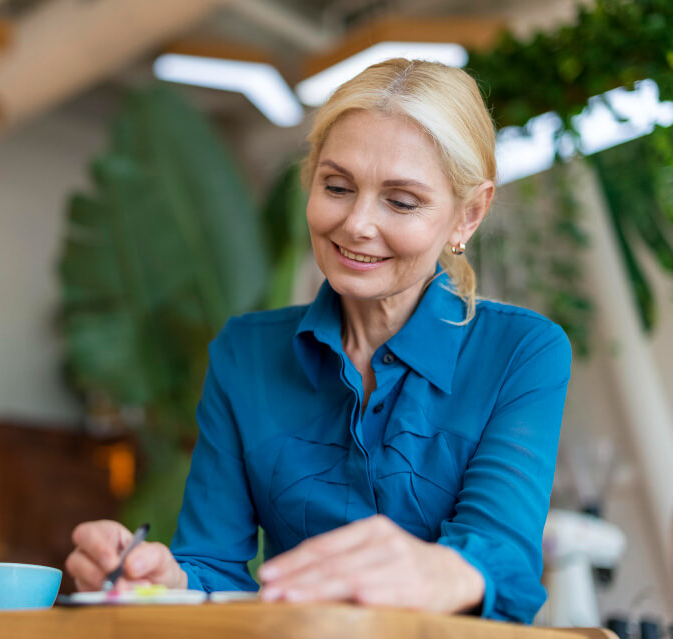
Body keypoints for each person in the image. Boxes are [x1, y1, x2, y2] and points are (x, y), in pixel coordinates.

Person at [64, 58, 572, 624]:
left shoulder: (523, 352)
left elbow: (500, 559)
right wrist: (160, 579)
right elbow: (210, 566)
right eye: (337, 186)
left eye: (401, 201)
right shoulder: (244, 354)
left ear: (468, 215)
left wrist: (435, 571)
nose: (356, 223)